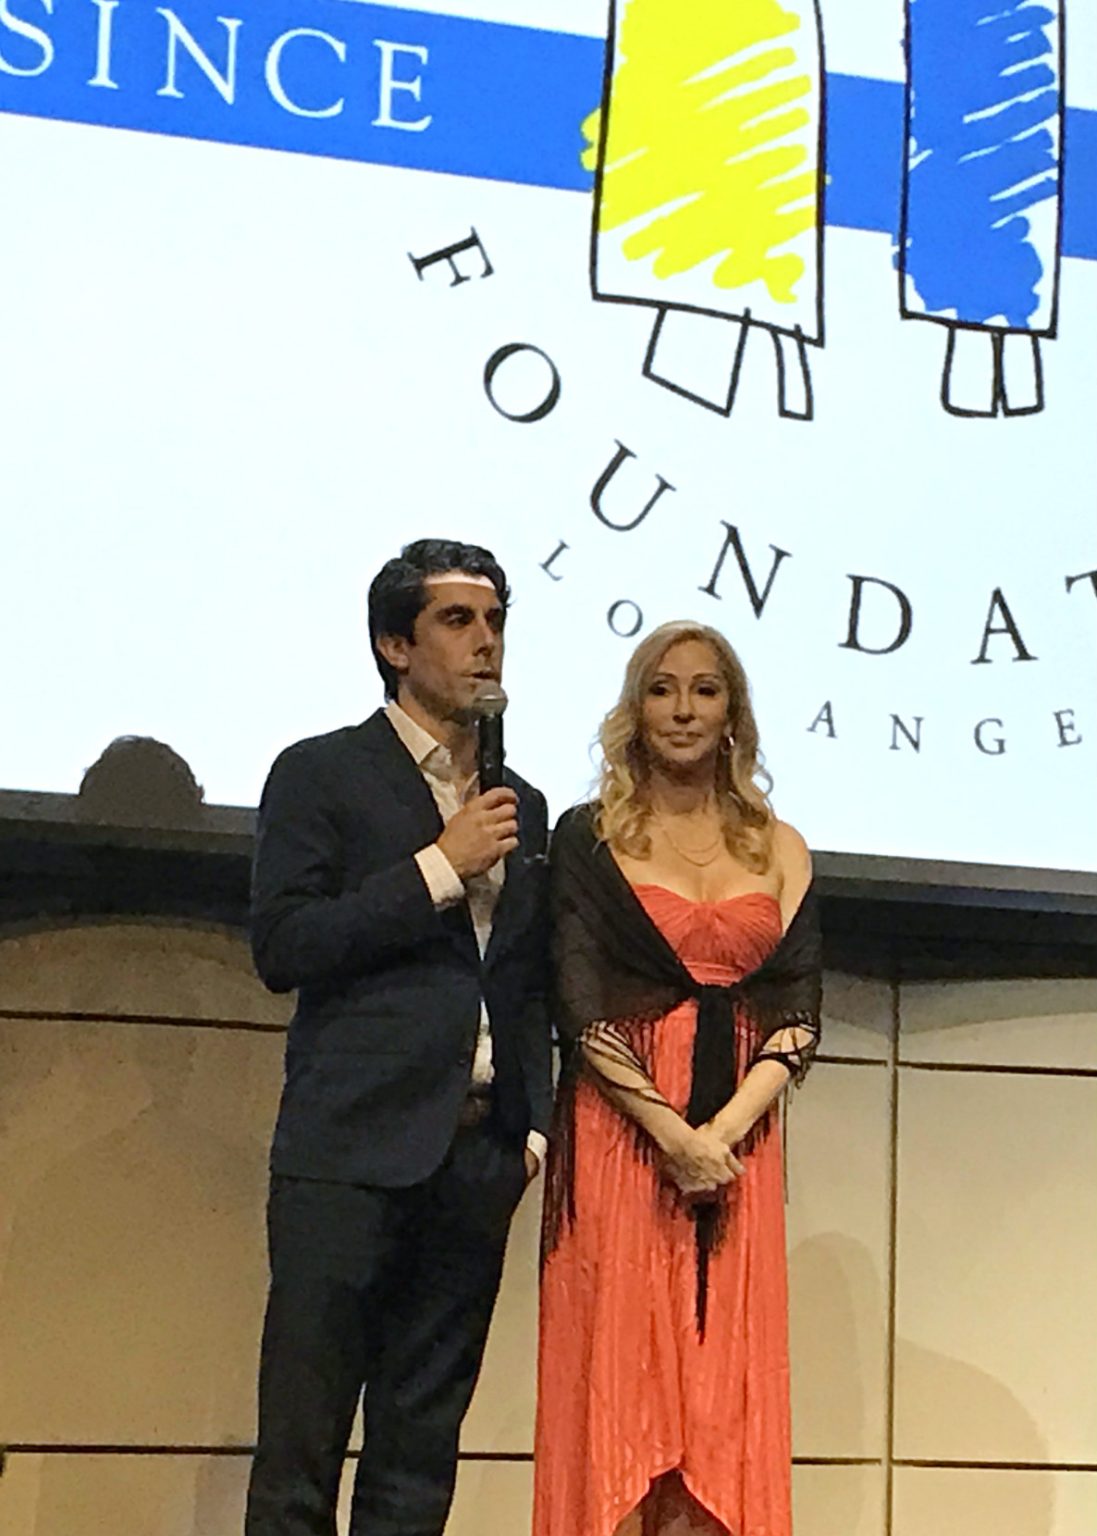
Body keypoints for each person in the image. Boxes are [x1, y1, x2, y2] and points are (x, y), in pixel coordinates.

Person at [245, 539, 553, 1536]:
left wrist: (529, 1129)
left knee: (418, 1460)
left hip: (474, 1159)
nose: (485, 643)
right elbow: (285, 944)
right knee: (302, 1449)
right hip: (347, 1154)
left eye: (495, 621)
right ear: (394, 645)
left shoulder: (521, 802)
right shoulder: (320, 772)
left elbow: (525, 977)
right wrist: (437, 867)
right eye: (457, 621)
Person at [534, 621, 822, 1536]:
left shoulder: (780, 844)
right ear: (635, 708)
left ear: (732, 711)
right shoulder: (587, 837)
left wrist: (720, 1136)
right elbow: (579, 1002)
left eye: (704, 689)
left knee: (721, 1396)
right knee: (622, 1383)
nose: (683, 709)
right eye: (662, 689)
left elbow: (797, 1010)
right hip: (622, 1137)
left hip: (738, 1146)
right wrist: (670, 1135)